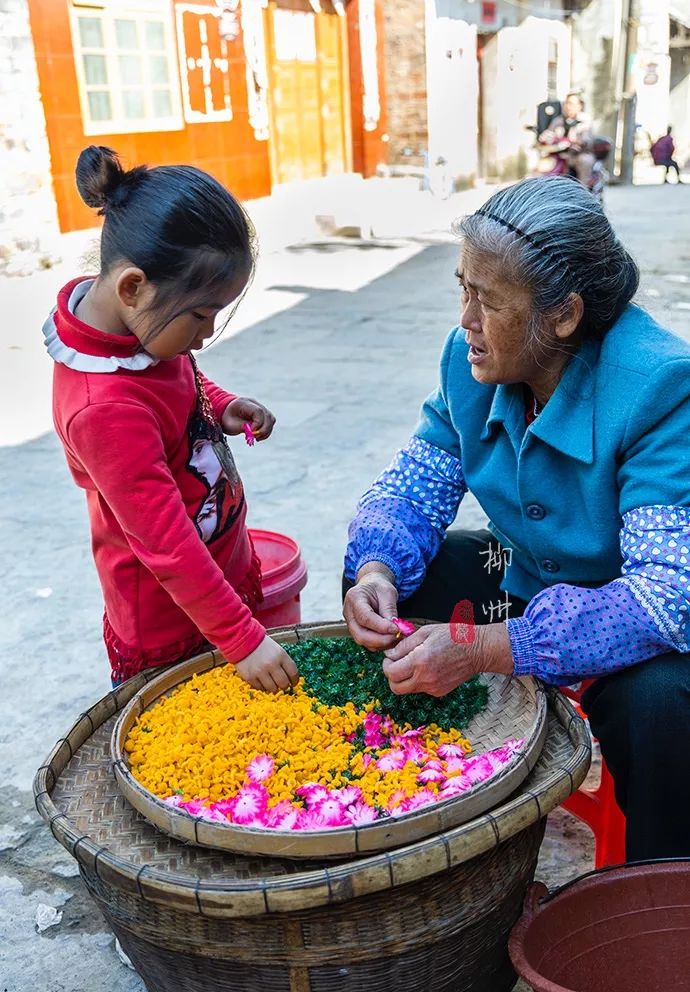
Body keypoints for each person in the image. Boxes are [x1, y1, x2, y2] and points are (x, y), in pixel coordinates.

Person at [343, 175, 690, 861]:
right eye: (462, 289)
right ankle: (425, 790)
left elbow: (663, 599)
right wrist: (376, 566)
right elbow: (415, 486)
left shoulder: (658, 386)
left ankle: (660, 893)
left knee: (658, 705)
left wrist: (488, 648)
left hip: (644, 617)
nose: (466, 320)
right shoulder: (469, 362)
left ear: (562, 315)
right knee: (395, 591)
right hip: (524, 577)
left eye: (489, 301)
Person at [44, 145, 298, 693]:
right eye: (201, 315)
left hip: (219, 578)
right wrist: (243, 639)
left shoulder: (142, 336)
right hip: (172, 623)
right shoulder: (103, 409)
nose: (206, 335)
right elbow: (167, 543)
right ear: (133, 286)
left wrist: (221, 401)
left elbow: (178, 372)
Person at [539, 92, 595, 188]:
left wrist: (576, 141)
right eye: (566, 103)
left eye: (572, 104)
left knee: (584, 161)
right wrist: (543, 139)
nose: (568, 107)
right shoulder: (558, 121)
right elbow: (549, 135)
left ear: (580, 106)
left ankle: (583, 193)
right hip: (559, 155)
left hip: (578, 154)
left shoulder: (585, 120)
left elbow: (586, 139)